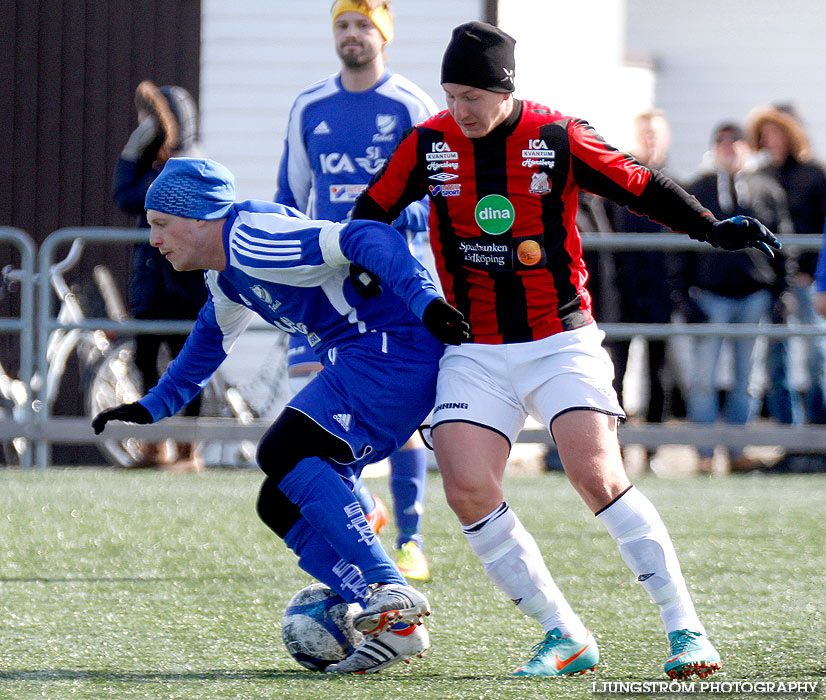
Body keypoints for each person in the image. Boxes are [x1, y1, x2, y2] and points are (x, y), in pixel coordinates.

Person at [351, 21, 780, 679]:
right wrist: (389, 281)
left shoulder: (555, 136)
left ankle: (686, 629)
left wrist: (711, 228)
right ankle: (565, 633)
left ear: (505, 88)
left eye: (472, 95)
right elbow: (369, 214)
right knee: (467, 487)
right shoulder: (428, 142)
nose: (459, 109)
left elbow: (639, 182)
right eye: (451, 94)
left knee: (596, 476)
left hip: (559, 339)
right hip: (475, 346)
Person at [91, 157, 471, 673]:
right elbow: (205, 347)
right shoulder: (226, 279)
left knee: (282, 449)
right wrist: (148, 406)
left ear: (201, 218)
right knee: (278, 502)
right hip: (363, 359)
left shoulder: (254, 240)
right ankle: (396, 626)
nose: (153, 239)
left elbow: (364, 236)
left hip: (397, 349)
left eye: (160, 224)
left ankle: (388, 587)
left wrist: (426, 302)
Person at [274, 0, 439, 580]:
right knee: (315, 408)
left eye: (363, 25)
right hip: (325, 285)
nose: (351, 35)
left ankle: (411, 538)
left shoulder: (410, 105)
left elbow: (437, 194)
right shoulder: (310, 105)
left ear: (383, 35)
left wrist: (382, 231)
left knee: (397, 415)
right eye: (342, 24)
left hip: (391, 287)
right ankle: (362, 512)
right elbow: (291, 194)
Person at [679, 122, 793, 473]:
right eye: (721, 140)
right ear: (714, 147)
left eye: (736, 140)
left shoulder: (766, 187)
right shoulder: (697, 188)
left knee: (748, 377)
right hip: (710, 293)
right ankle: (704, 454)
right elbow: (680, 243)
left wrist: (781, 291)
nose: (729, 146)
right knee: (703, 377)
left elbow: (782, 237)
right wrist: (682, 294)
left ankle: (739, 450)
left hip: (754, 294)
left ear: (747, 146)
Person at [113, 80, 207, 471]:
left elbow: (130, 196)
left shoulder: (187, 165)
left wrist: (133, 153)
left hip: (185, 285)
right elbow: (124, 199)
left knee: (189, 364)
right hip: (153, 284)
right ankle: (155, 444)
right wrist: (138, 149)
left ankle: (187, 449)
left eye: (150, 119)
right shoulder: (156, 166)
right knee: (145, 361)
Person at [601, 110, 685, 470]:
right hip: (622, 293)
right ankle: (613, 449)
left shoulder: (679, 185)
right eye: (645, 133)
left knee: (659, 373)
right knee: (614, 373)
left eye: (656, 133)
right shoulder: (619, 183)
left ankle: (651, 451)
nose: (650, 139)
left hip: (660, 294)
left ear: (665, 138)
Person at [748, 105, 826, 471]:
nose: (768, 141)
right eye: (763, 134)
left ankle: (818, 440)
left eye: (774, 133)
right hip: (776, 285)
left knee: (816, 360)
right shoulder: (759, 176)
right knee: (776, 361)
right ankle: (790, 442)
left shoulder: (815, 174)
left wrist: (810, 274)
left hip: (809, 283)